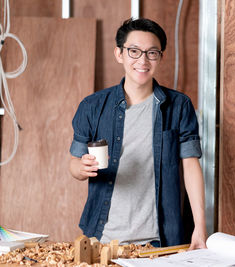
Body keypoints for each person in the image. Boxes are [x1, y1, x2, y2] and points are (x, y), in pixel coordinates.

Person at [69, 17, 207, 249]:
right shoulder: (92, 106)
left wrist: (200, 228)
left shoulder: (179, 106)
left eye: (152, 53)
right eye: (134, 51)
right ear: (119, 54)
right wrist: (81, 169)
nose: (143, 60)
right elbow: (74, 164)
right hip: (103, 238)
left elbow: (191, 166)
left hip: (161, 240)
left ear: (160, 57)